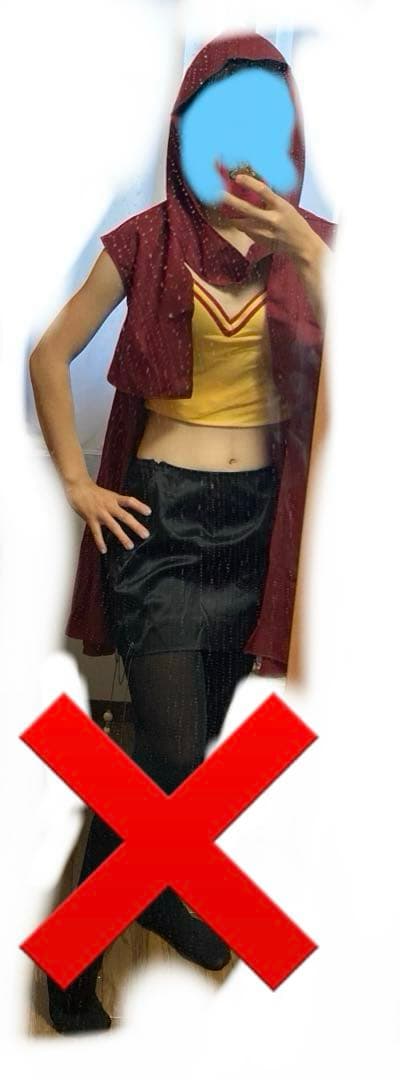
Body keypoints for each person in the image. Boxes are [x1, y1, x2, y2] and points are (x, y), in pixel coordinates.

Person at [29, 33, 335, 1034]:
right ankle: (72, 963)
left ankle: (160, 898)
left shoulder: (319, 248)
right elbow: (49, 354)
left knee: (196, 749)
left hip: (258, 534)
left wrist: (309, 254)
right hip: (157, 527)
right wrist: (77, 484)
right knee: (163, 759)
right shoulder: (146, 239)